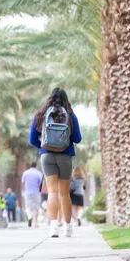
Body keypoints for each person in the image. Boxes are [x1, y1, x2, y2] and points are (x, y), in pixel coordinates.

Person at [29, 88, 82, 238]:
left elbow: (32, 139)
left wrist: (45, 147)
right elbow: (78, 139)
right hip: (65, 156)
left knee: (52, 192)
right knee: (64, 193)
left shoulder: (40, 115)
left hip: (47, 157)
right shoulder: (71, 116)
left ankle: (53, 227)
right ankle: (68, 227)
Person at [21, 162, 44, 228]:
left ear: (30, 166)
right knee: (36, 208)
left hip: (27, 192)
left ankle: (30, 217)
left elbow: (23, 182)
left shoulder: (25, 173)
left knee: (28, 207)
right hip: (36, 192)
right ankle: (35, 223)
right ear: (36, 166)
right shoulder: (39, 173)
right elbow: (41, 184)